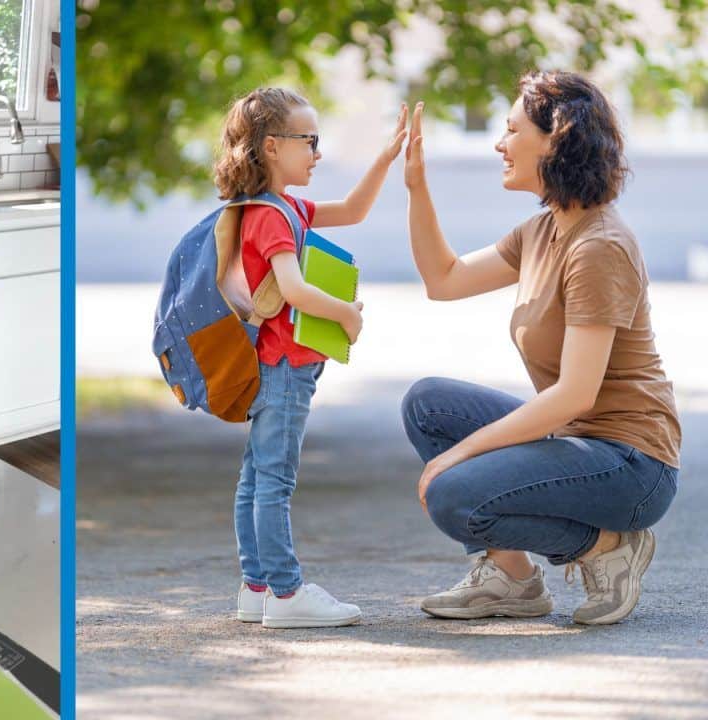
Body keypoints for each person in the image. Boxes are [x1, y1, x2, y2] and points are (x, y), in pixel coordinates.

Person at [399, 70, 680, 625]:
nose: (499, 144)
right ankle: (512, 578)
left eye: (512, 130)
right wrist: (416, 186)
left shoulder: (599, 246)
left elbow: (574, 395)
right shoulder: (542, 231)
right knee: (427, 403)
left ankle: (608, 546)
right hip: (580, 442)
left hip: (632, 465)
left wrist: (459, 454)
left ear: (557, 139)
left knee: (453, 494)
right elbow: (444, 279)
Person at [216, 87, 406, 628]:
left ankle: (256, 587)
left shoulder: (278, 208)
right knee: (274, 482)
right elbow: (295, 289)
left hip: (268, 365)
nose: (317, 153)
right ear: (272, 146)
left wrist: (385, 157)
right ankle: (286, 592)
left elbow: (353, 210)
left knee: (255, 478)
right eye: (310, 141)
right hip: (283, 367)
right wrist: (346, 314)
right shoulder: (272, 217)